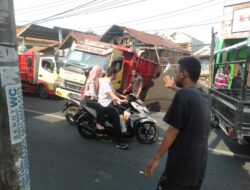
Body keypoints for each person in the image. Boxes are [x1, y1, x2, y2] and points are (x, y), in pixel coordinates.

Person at [144, 56, 211, 190]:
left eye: (176, 72)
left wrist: (155, 159)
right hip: (198, 170)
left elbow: (172, 131)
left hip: (180, 171)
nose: (174, 75)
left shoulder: (183, 96)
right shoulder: (204, 96)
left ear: (184, 73)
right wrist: (173, 88)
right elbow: (188, 94)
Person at [98, 66, 129, 149]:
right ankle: (118, 141)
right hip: (104, 104)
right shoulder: (105, 82)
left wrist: (123, 96)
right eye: (116, 74)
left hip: (110, 102)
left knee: (122, 112)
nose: (116, 76)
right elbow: (110, 93)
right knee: (117, 118)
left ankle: (122, 133)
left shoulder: (109, 82)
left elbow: (114, 92)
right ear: (112, 74)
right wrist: (120, 100)